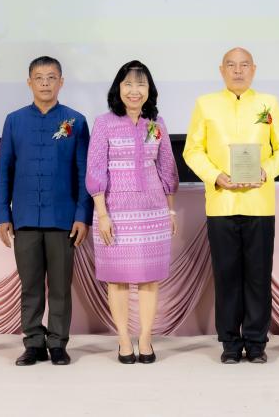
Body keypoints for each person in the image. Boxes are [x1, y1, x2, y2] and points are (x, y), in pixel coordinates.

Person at [183, 47, 279, 364]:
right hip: (221, 204)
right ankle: (230, 343)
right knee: (226, 276)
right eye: (231, 65)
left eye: (244, 65)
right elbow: (193, 150)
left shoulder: (268, 103)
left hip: (259, 204)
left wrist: (266, 171)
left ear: (253, 69)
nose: (237, 70)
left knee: (258, 276)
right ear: (221, 70)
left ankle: (257, 343)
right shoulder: (205, 104)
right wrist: (215, 176)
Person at [0, 56, 92, 366]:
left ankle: (58, 343)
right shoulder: (14, 120)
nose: (45, 83)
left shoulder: (75, 121)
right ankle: (33, 343)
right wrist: (3, 215)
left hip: (63, 218)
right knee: (31, 286)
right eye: (39, 77)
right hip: (24, 218)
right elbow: (4, 170)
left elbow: (84, 172)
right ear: (29, 82)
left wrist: (82, 215)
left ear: (61, 82)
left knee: (61, 287)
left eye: (52, 77)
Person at [86, 60, 179, 364]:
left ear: (149, 89)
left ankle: (146, 338)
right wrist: (102, 214)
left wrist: (171, 212)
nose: (134, 90)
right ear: (118, 88)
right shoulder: (104, 123)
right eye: (128, 84)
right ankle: (124, 340)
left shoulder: (156, 123)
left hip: (153, 213)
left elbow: (166, 168)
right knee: (118, 280)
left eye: (141, 84)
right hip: (114, 212)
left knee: (150, 279)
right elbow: (96, 169)